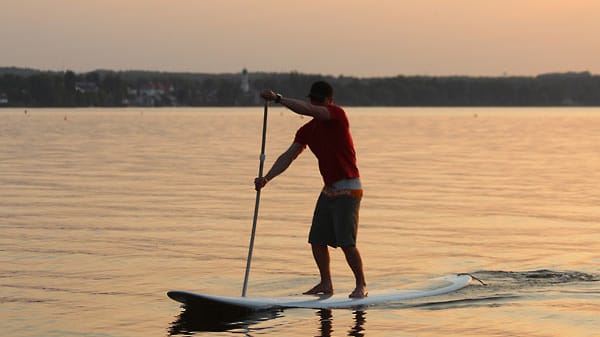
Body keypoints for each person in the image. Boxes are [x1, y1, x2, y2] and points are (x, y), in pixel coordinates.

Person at [255, 81, 368, 298]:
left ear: (328, 101)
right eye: (313, 99)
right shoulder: (307, 130)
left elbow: (307, 110)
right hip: (328, 189)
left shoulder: (337, 115)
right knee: (316, 239)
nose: (315, 104)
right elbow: (288, 157)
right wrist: (267, 178)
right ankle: (326, 284)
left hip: (349, 188)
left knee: (346, 242)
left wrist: (278, 99)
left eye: (319, 101)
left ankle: (361, 284)